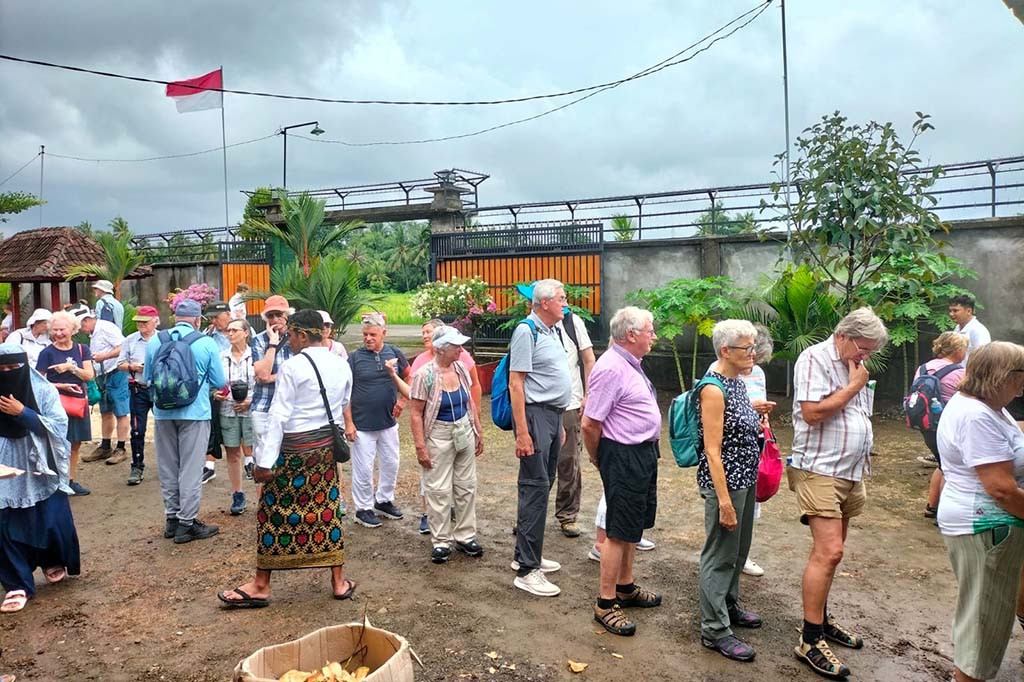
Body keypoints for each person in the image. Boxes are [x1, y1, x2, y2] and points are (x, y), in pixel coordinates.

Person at [217, 309, 354, 608]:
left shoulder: (293, 367)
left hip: (294, 450)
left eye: (290, 335)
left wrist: (264, 463)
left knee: (271, 511)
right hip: (324, 451)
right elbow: (343, 404)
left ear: (303, 335)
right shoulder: (342, 364)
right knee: (327, 510)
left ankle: (261, 585)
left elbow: (279, 416)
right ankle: (338, 581)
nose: (288, 341)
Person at [788, 307, 888, 678]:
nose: (866, 357)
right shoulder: (814, 358)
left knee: (833, 555)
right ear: (843, 336)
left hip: (850, 470)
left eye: (870, 352)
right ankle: (810, 640)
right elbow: (812, 413)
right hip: (820, 468)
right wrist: (853, 387)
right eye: (863, 348)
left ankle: (822, 619)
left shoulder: (856, 365)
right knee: (829, 551)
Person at [936, 342, 1024, 682]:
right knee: (983, 623)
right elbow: (1000, 488)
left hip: (984, 524)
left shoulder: (985, 405)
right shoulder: (976, 416)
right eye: (1021, 375)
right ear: (1005, 377)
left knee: (981, 613)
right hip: (987, 526)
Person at [581, 306, 662, 636]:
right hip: (622, 454)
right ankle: (605, 601)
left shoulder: (630, 364)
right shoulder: (611, 367)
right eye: (650, 331)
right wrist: (601, 458)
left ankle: (626, 586)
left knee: (632, 526)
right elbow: (589, 423)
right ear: (631, 335)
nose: (654, 336)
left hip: (640, 453)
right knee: (617, 530)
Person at [694, 319, 764, 661]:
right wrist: (723, 500)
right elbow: (712, 449)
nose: (753, 353)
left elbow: (734, 423)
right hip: (727, 484)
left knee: (738, 552)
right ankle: (714, 629)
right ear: (726, 351)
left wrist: (754, 413)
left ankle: (728, 605)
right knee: (719, 555)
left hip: (745, 480)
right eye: (747, 348)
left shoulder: (735, 382)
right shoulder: (713, 388)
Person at [0, 342, 80, 615]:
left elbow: (58, 426)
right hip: (4, 466)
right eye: (2, 369)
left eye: (14, 367)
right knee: (4, 523)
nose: (8, 373)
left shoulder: (42, 389)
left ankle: (51, 558)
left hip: (40, 462)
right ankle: (16, 584)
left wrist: (22, 413)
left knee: (48, 518)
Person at [143, 299, 226, 544]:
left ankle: (171, 520)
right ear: (198, 320)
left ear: (174, 317)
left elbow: (147, 377)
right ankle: (186, 524)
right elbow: (220, 381)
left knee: (168, 467)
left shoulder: (155, 340)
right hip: (195, 413)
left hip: (163, 413)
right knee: (190, 469)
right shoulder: (205, 342)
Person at [508, 279, 572, 597]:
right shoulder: (526, 330)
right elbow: (516, 384)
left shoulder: (551, 330)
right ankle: (527, 569)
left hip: (551, 416)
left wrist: (558, 422)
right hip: (534, 417)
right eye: (561, 298)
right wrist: (523, 432)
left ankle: (529, 554)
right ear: (544, 302)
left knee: (542, 485)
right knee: (534, 488)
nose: (566, 302)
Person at [409, 325, 485, 564]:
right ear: (441, 349)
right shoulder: (425, 374)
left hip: (463, 429)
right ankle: (441, 541)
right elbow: (415, 413)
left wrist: (478, 428)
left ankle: (465, 536)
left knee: (466, 485)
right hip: (438, 435)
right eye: (456, 346)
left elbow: (469, 400)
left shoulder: (461, 368)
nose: (461, 349)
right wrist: (421, 446)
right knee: (438, 489)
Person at [345, 312, 411, 528]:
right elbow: (344, 391)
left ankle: (383, 500)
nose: (368, 338)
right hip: (362, 424)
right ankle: (363, 508)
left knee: (391, 463)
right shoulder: (354, 358)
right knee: (363, 468)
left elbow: (409, 375)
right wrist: (349, 422)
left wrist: (402, 401)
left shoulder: (394, 352)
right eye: (365, 334)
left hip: (388, 421)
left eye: (372, 334)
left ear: (384, 332)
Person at [37, 310, 95, 496]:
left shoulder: (82, 349)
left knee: (75, 442)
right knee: (56, 442)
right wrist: (60, 385)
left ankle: (69, 480)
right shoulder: (46, 353)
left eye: (62, 329)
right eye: (54, 330)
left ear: (73, 329)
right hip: (55, 403)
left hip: (77, 402)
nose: (58, 333)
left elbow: (89, 375)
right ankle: (55, 481)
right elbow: (38, 382)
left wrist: (71, 368)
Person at [737, 324, 777, 577]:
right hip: (733, 447)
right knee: (732, 506)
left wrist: (766, 423)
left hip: (756, 442)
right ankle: (726, 556)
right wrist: (752, 406)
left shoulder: (758, 373)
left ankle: (742, 556)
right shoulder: (722, 372)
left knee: (752, 506)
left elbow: (759, 406)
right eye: (753, 356)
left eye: (758, 359)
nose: (754, 363)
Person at [916, 332, 968, 518]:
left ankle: (932, 506)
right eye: (964, 348)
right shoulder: (960, 373)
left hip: (925, 423)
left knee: (942, 463)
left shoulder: (923, 368)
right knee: (950, 468)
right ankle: (944, 513)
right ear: (957, 350)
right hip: (947, 425)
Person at [76, 305, 129, 467]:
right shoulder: (93, 333)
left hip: (116, 372)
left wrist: (104, 356)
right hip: (101, 375)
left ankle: (121, 448)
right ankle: (105, 445)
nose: (80, 329)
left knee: (121, 411)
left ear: (87, 320)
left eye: (81, 325)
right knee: (105, 410)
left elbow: (123, 347)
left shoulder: (106, 327)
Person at [117, 305, 160, 486]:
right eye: (138, 322)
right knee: (137, 429)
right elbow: (120, 364)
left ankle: (171, 466)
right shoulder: (130, 340)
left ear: (155, 321)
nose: (140, 325)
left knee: (166, 429)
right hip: (138, 388)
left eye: (144, 322)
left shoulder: (163, 338)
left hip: (159, 389)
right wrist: (132, 367)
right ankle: (137, 465)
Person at [216, 318, 255, 515]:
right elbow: (214, 381)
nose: (230, 334)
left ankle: (262, 494)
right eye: (228, 331)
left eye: (234, 330)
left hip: (251, 409)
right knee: (232, 452)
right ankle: (237, 493)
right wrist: (216, 393)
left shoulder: (256, 355)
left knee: (255, 451)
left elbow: (264, 383)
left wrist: (251, 400)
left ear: (246, 333)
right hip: (228, 409)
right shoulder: (221, 356)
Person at [251, 295, 294, 456]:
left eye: (279, 314)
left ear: (287, 315)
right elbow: (262, 375)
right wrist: (273, 343)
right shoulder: (259, 340)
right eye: (270, 315)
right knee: (264, 458)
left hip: (291, 406)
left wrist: (273, 377)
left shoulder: (297, 337)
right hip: (264, 405)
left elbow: (299, 373)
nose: (275, 319)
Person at [201, 301, 232, 484]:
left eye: (216, 317)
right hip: (215, 386)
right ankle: (209, 466)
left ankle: (250, 462)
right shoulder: (208, 335)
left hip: (238, 383)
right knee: (212, 425)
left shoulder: (244, 330)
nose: (213, 321)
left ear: (227, 314)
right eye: (211, 318)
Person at [948, 294, 991, 360]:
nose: (951, 314)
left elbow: (984, 358)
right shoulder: (957, 328)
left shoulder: (978, 330)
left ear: (969, 311)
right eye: (950, 311)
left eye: (955, 311)